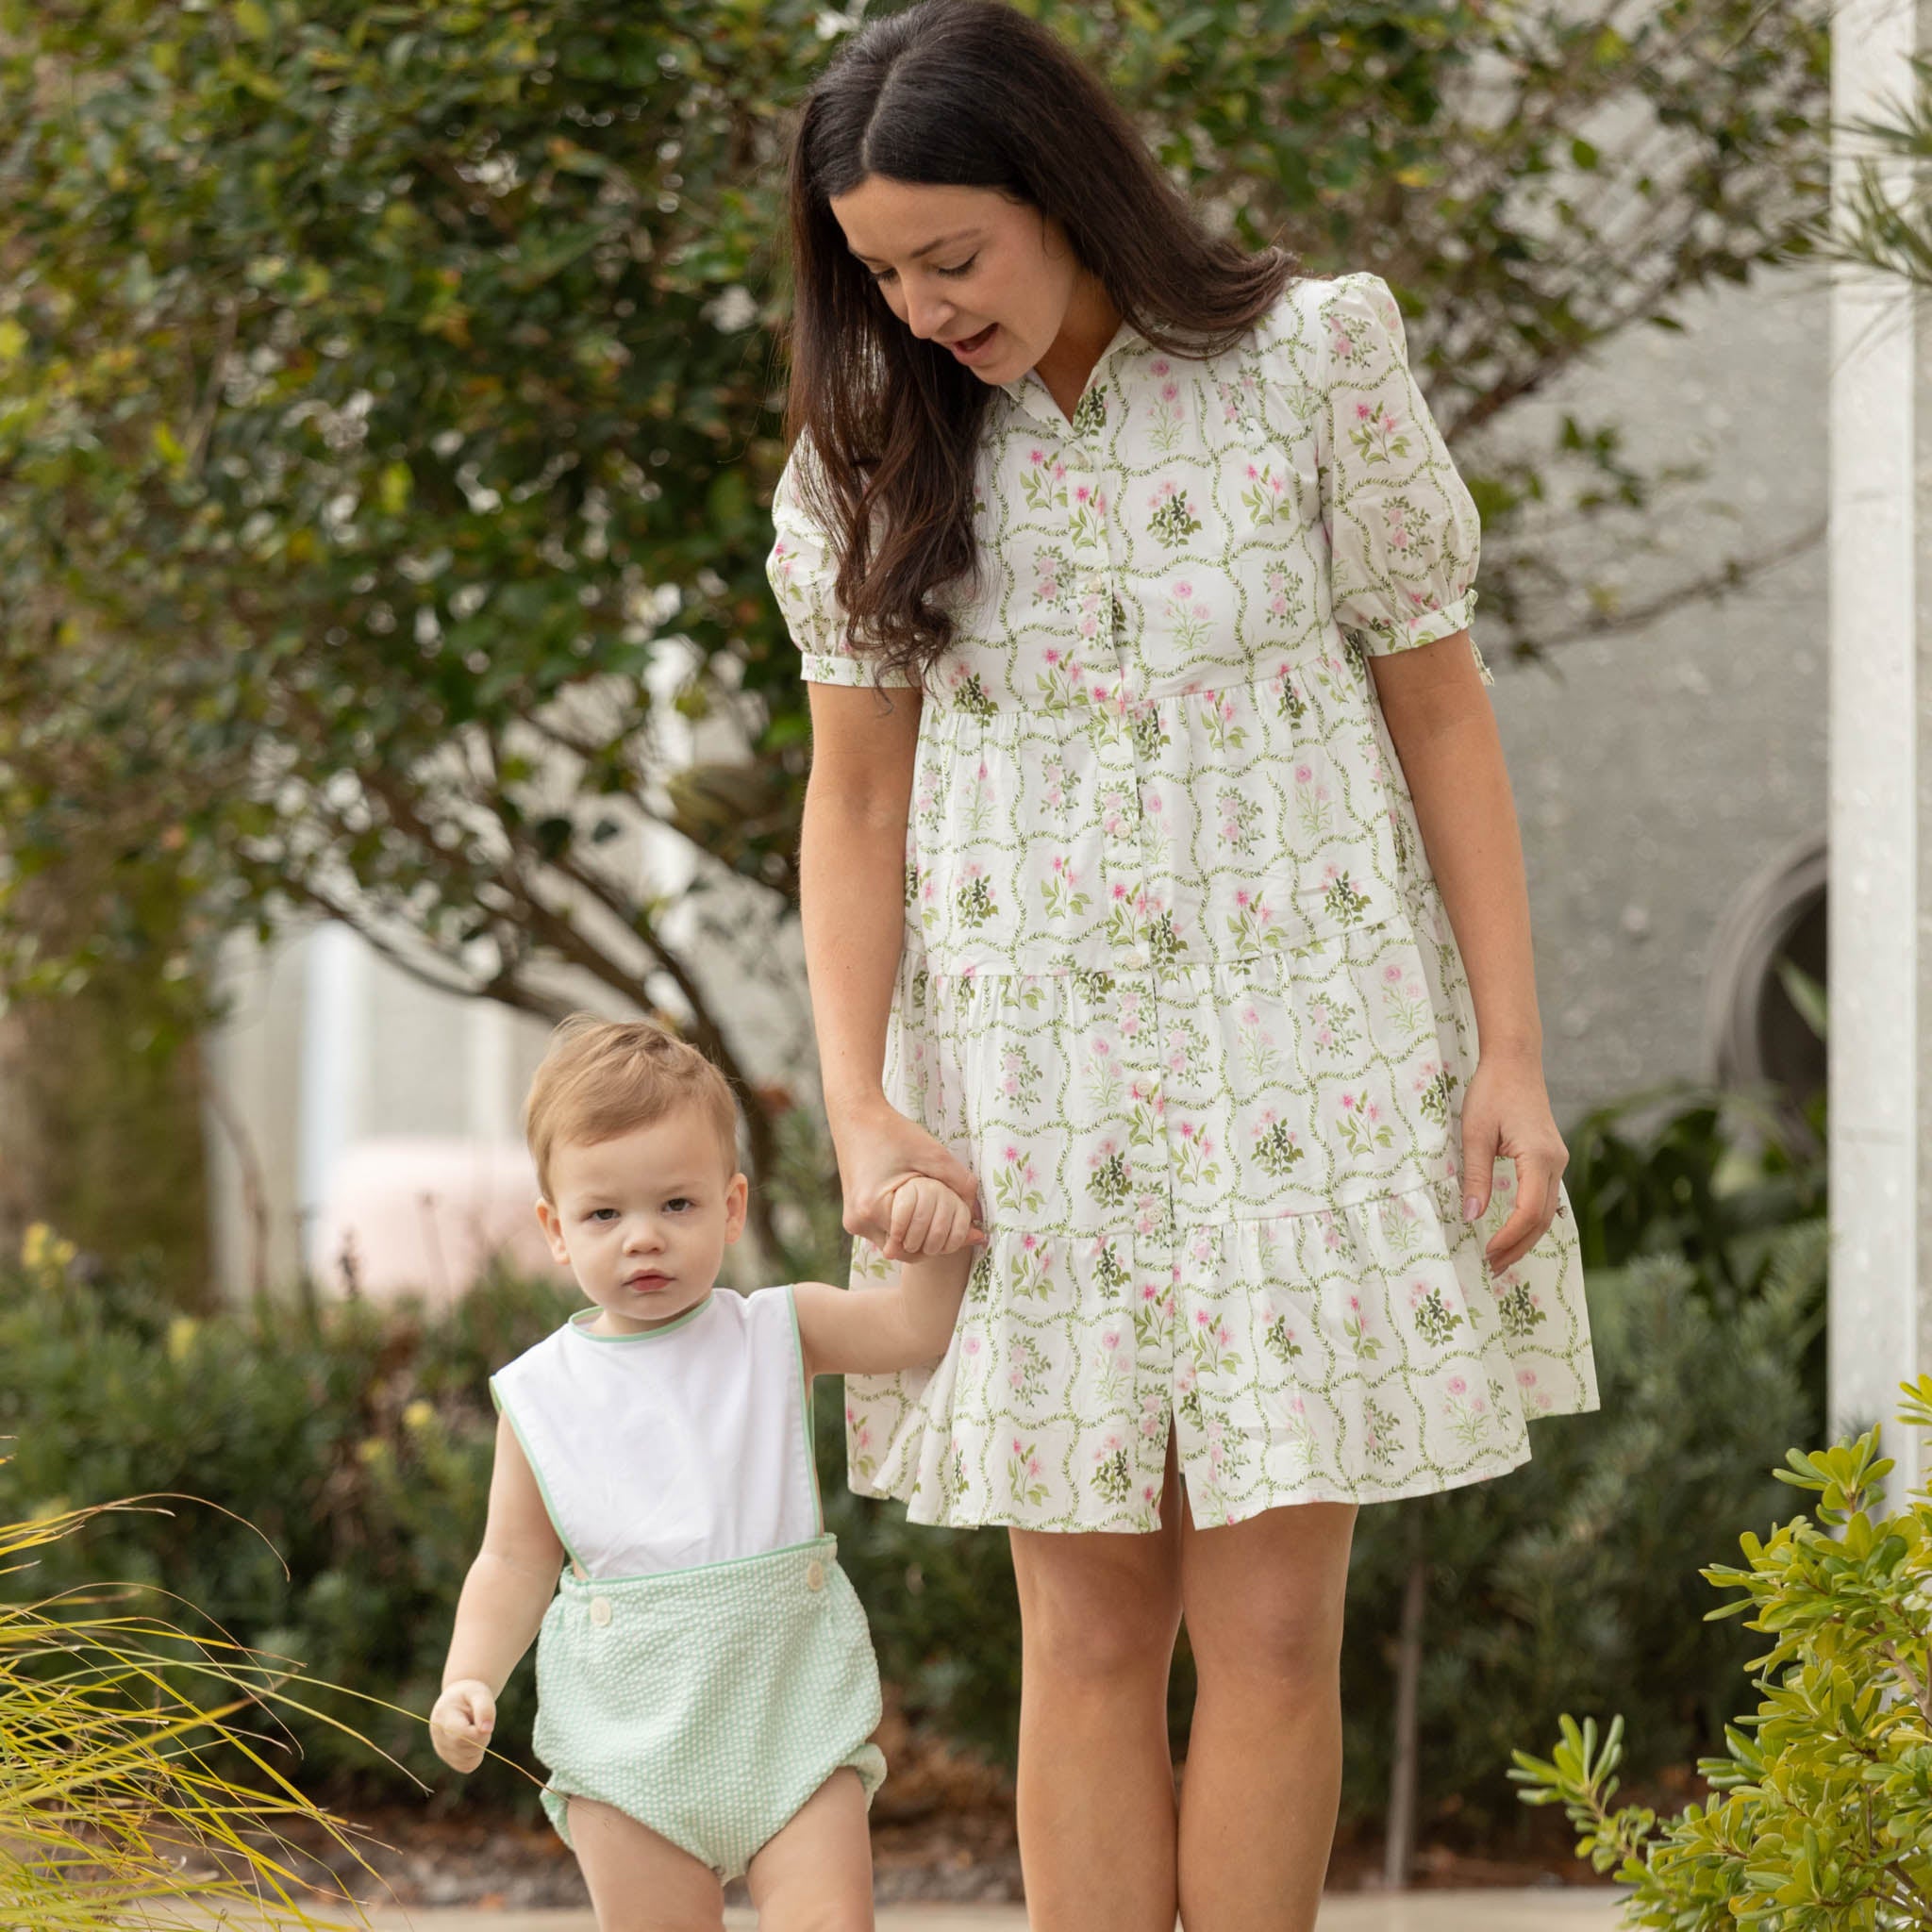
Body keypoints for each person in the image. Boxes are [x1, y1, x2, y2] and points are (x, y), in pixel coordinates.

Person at [765, 3, 1602, 1927]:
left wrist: (1510, 1052)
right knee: (1081, 1632)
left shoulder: (1311, 363)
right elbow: (856, 806)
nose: (919, 307)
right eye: (879, 272)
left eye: (950, 255)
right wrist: (863, 1098)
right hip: (1027, 1095)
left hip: (1298, 1061)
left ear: (1060, 183)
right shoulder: (872, 449)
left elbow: (1442, 712)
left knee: (1273, 1629)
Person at [426, 1016, 975, 1931]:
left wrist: (934, 1234)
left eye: (675, 1205)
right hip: (628, 1741)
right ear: (555, 1228)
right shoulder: (541, 1393)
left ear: (730, 1206)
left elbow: (914, 1329)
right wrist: (468, 1675)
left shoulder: (775, 1330)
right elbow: (514, 1561)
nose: (642, 1238)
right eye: (604, 1214)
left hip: (787, 1713)